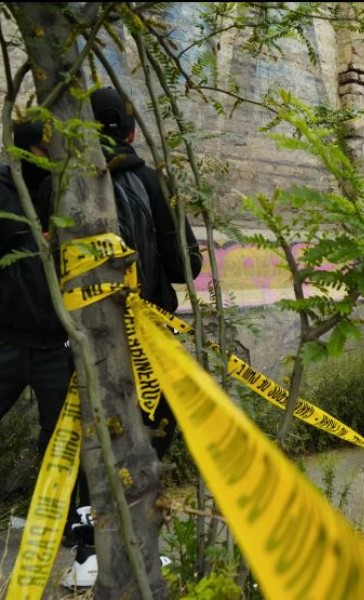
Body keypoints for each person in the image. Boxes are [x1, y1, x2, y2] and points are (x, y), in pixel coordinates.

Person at [57, 87, 204, 585]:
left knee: (86, 431)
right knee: (146, 432)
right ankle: (124, 548)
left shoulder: (66, 182)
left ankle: (86, 547)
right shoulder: (149, 181)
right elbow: (189, 263)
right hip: (146, 332)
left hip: (80, 330)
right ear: (132, 129)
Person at [0, 120, 73, 464]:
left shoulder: (64, 192)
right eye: (44, 152)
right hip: (8, 339)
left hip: (55, 346)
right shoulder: (3, 188)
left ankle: (51, 515)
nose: (50, 160)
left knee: (60, 441)